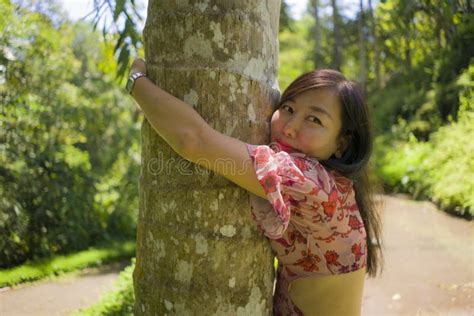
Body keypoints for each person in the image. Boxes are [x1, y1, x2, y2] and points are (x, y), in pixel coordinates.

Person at [127, 58, 383, 315]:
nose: (290, 128)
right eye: (288, 108)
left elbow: (192, 140)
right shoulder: (339, 185)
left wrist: (136, 81)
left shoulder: (308, 182)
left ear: (342, 144)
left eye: (314, 120)